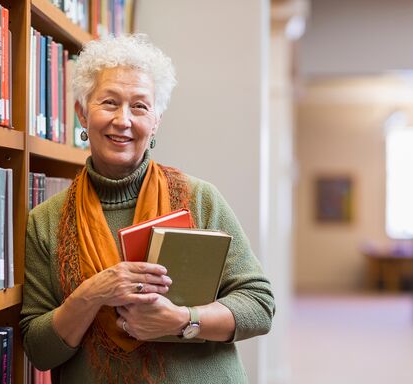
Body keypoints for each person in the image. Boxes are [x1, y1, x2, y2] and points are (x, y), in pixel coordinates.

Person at [20, 33, 275, 384]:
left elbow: (259, 305)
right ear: (82, 113)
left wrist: (183, 319)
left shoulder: (200, 198)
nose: (123, 120)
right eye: (109, 102)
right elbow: (39, 349)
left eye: (139, 106)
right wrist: (92, 293)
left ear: (155, 120)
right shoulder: (45, 221)